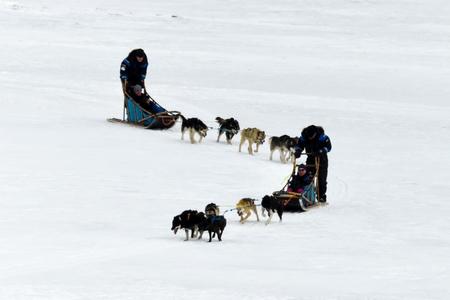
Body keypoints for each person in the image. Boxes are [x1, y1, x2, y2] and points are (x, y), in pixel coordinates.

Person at [294, 125, 332, 203]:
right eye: (309, 137)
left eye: (311, 137)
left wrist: (321, 151)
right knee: (307, 177)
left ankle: (321, 196)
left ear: (315, 134)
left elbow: (328, 147)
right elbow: (299, 145)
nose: (310, 138)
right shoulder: (304, 136)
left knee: (321, 179)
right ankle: (306, 195)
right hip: (310, 158)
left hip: (322, 159)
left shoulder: (322, 137)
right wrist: (298, 151)